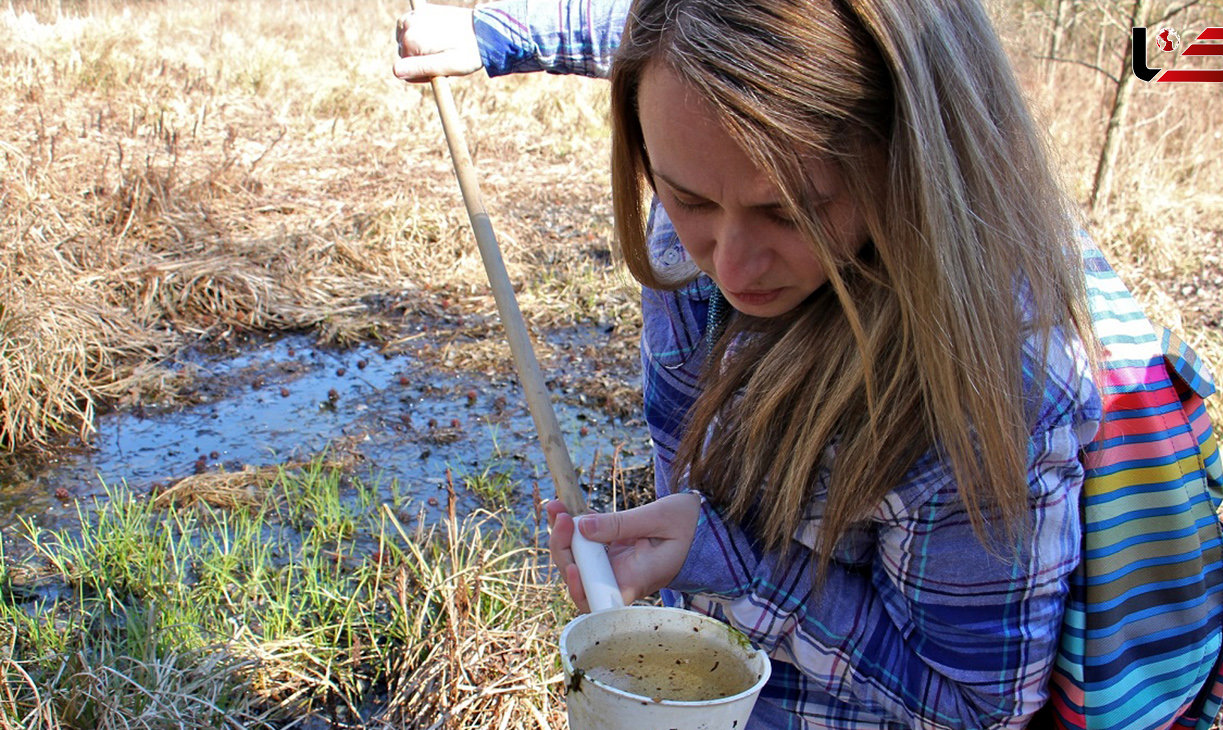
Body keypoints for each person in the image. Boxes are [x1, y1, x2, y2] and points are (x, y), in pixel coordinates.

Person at [395, 2, 1103, 728]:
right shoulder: (698, 109)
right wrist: (495, 36)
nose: (730, 265)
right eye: (688, 198)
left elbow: (974, 710)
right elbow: (665, 31)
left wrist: (728, 565)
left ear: (911, 153)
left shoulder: (987, 396)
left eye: (792, 211)